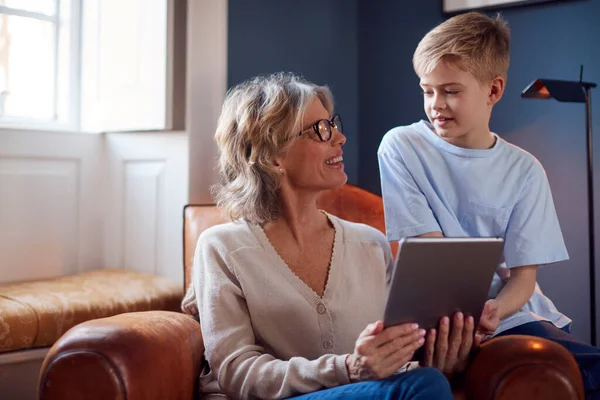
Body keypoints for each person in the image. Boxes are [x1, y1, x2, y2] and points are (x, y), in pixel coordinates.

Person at [182, 72, 472, 399]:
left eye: (333, 124)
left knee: (428, 380)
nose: (340, 138)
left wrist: (439, 355)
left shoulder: (370, 244)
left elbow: (389, 363)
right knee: (424, 387)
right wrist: (348, 368)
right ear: (273, 155)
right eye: (321, 130)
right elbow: (238, 372)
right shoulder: (222, 247)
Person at [377, 11, 600, 399]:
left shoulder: (525, 171)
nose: (436, 105)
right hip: (446, 318)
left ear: (493, 90)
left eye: (450, 91)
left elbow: (523, 279)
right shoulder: (401, 147)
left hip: (513, 315)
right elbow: (436, 263)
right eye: (427, 90)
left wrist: (496, 310)